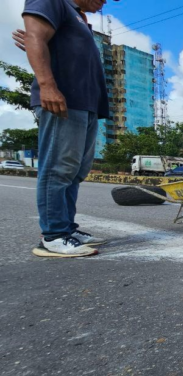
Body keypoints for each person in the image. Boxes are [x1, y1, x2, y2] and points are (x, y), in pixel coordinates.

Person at [20, 0, 113, 257]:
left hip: (86, 104)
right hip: (63, 100)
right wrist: (47, 85)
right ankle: (53, 236)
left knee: (74, 172)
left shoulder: (77, 16)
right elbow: (35, 36)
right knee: (58, 169)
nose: (105, 1)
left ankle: (67, 228)